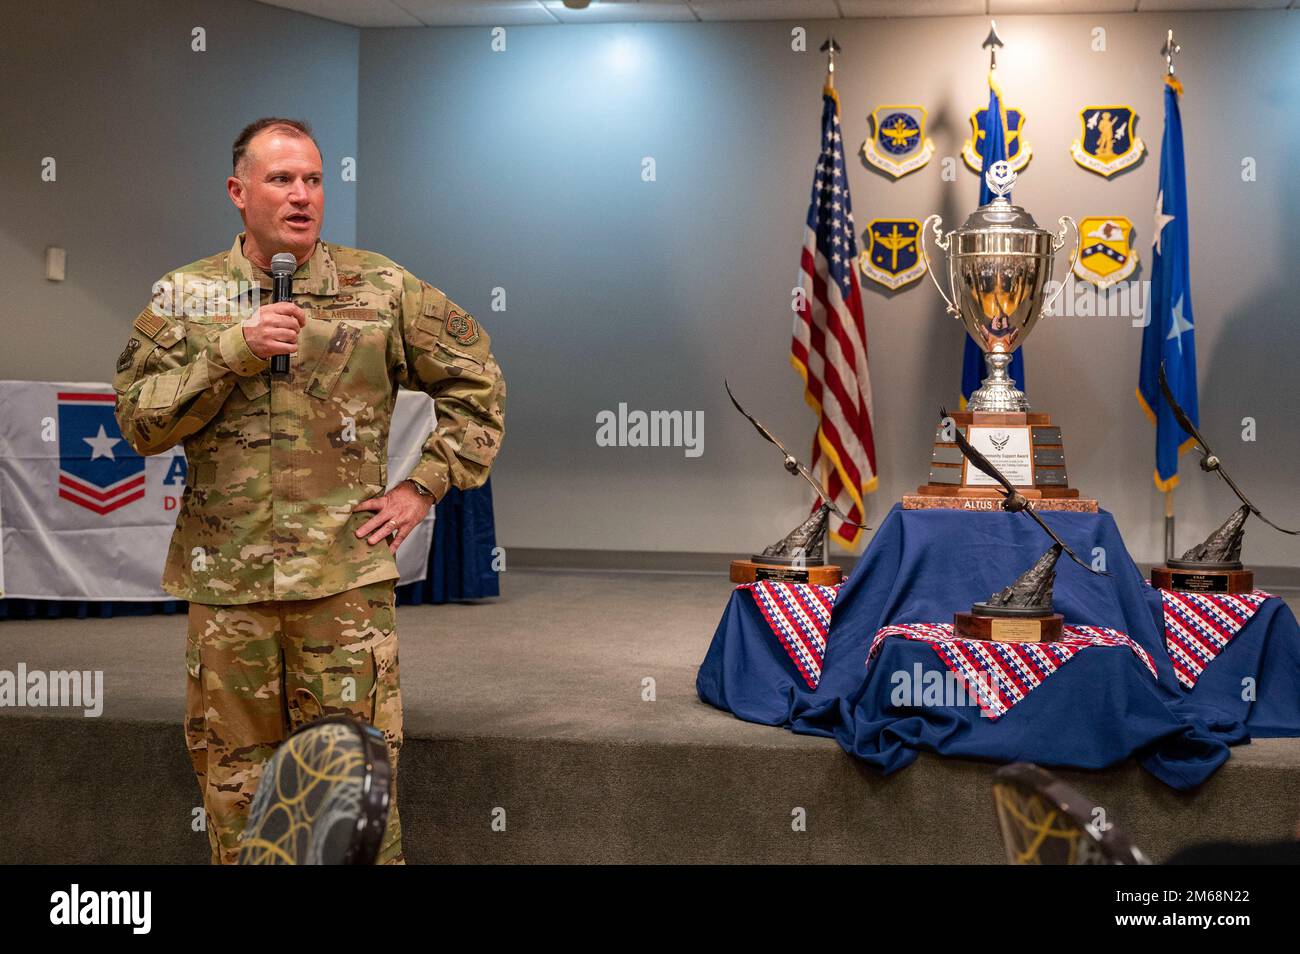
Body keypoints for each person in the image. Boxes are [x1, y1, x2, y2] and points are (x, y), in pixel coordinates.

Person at [112, 117, 506, 864]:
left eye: (315, 180)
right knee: (239, 796)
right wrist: (233, 351)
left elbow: (476, 381)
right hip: (228, 589)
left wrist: (423, 485)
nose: (302, 196)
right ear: (238, 192)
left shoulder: (381, 288)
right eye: (281, 179)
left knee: (352, 796)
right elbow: (138, 421)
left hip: (343, 587)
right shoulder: (187, 297)